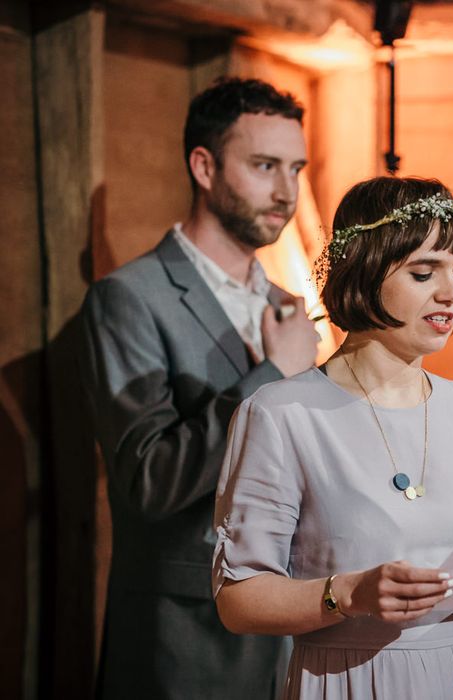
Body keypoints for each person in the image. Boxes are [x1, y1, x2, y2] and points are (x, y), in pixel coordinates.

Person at [212, 176, 453, 699]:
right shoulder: (282, 414)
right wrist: (350, 593)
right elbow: (238, 601)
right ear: (365, 270)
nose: (451, 292)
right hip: (353, 678)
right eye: (424, 273)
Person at [79, 78, 319, 699]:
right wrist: (271, 377)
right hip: (183, 637)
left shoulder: (287, 307)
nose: (286, 191)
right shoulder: (130, 298)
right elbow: (148, 479)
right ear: (204, 166)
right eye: (265, 166)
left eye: (295, 168)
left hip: (291, 629)